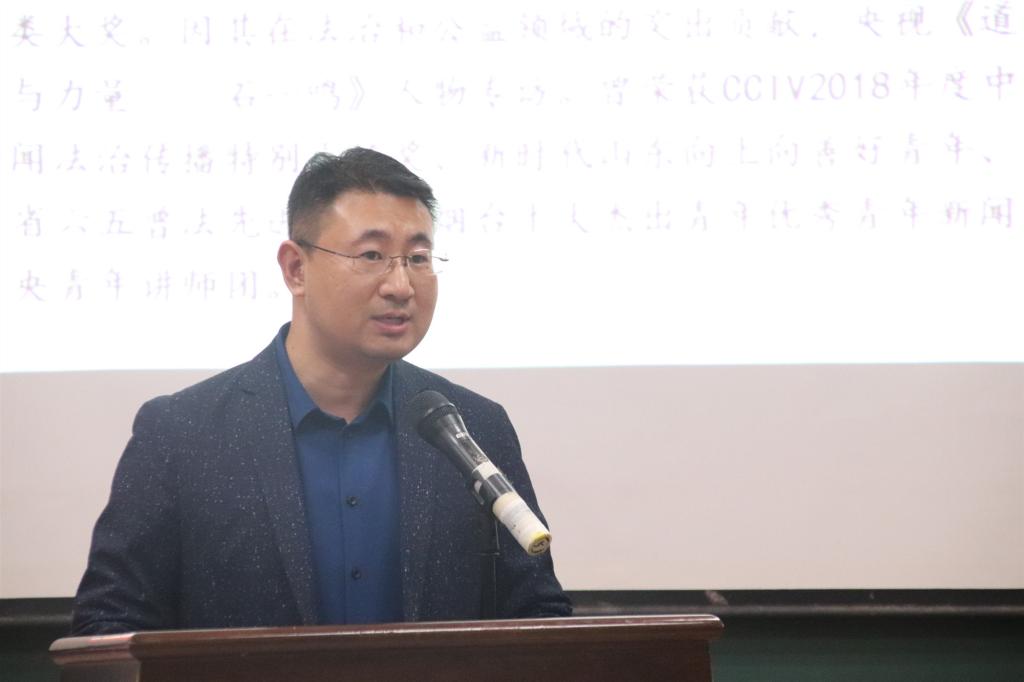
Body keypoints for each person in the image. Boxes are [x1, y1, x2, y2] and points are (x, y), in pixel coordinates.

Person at [71, 148, 571, 634]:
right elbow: (110, 625)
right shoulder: (182, 434)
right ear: (296, 269)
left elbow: (538, 612)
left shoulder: (473, 427)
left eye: (418, 257)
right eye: (372, 255)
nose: (401, 285)